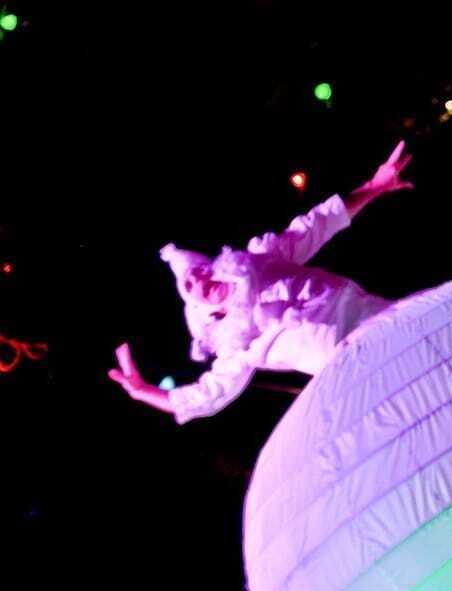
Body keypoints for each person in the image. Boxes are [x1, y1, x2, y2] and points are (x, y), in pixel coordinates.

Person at [108, 143, 413, 423]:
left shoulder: (261, 259)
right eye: (189, 285)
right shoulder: (235, 341)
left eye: (200, 269)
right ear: (198, 307)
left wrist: (375, 186)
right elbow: (207, 395)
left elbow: (317, 224)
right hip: (353, 363)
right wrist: (143, 391)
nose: (199, 279)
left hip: (379, 316)